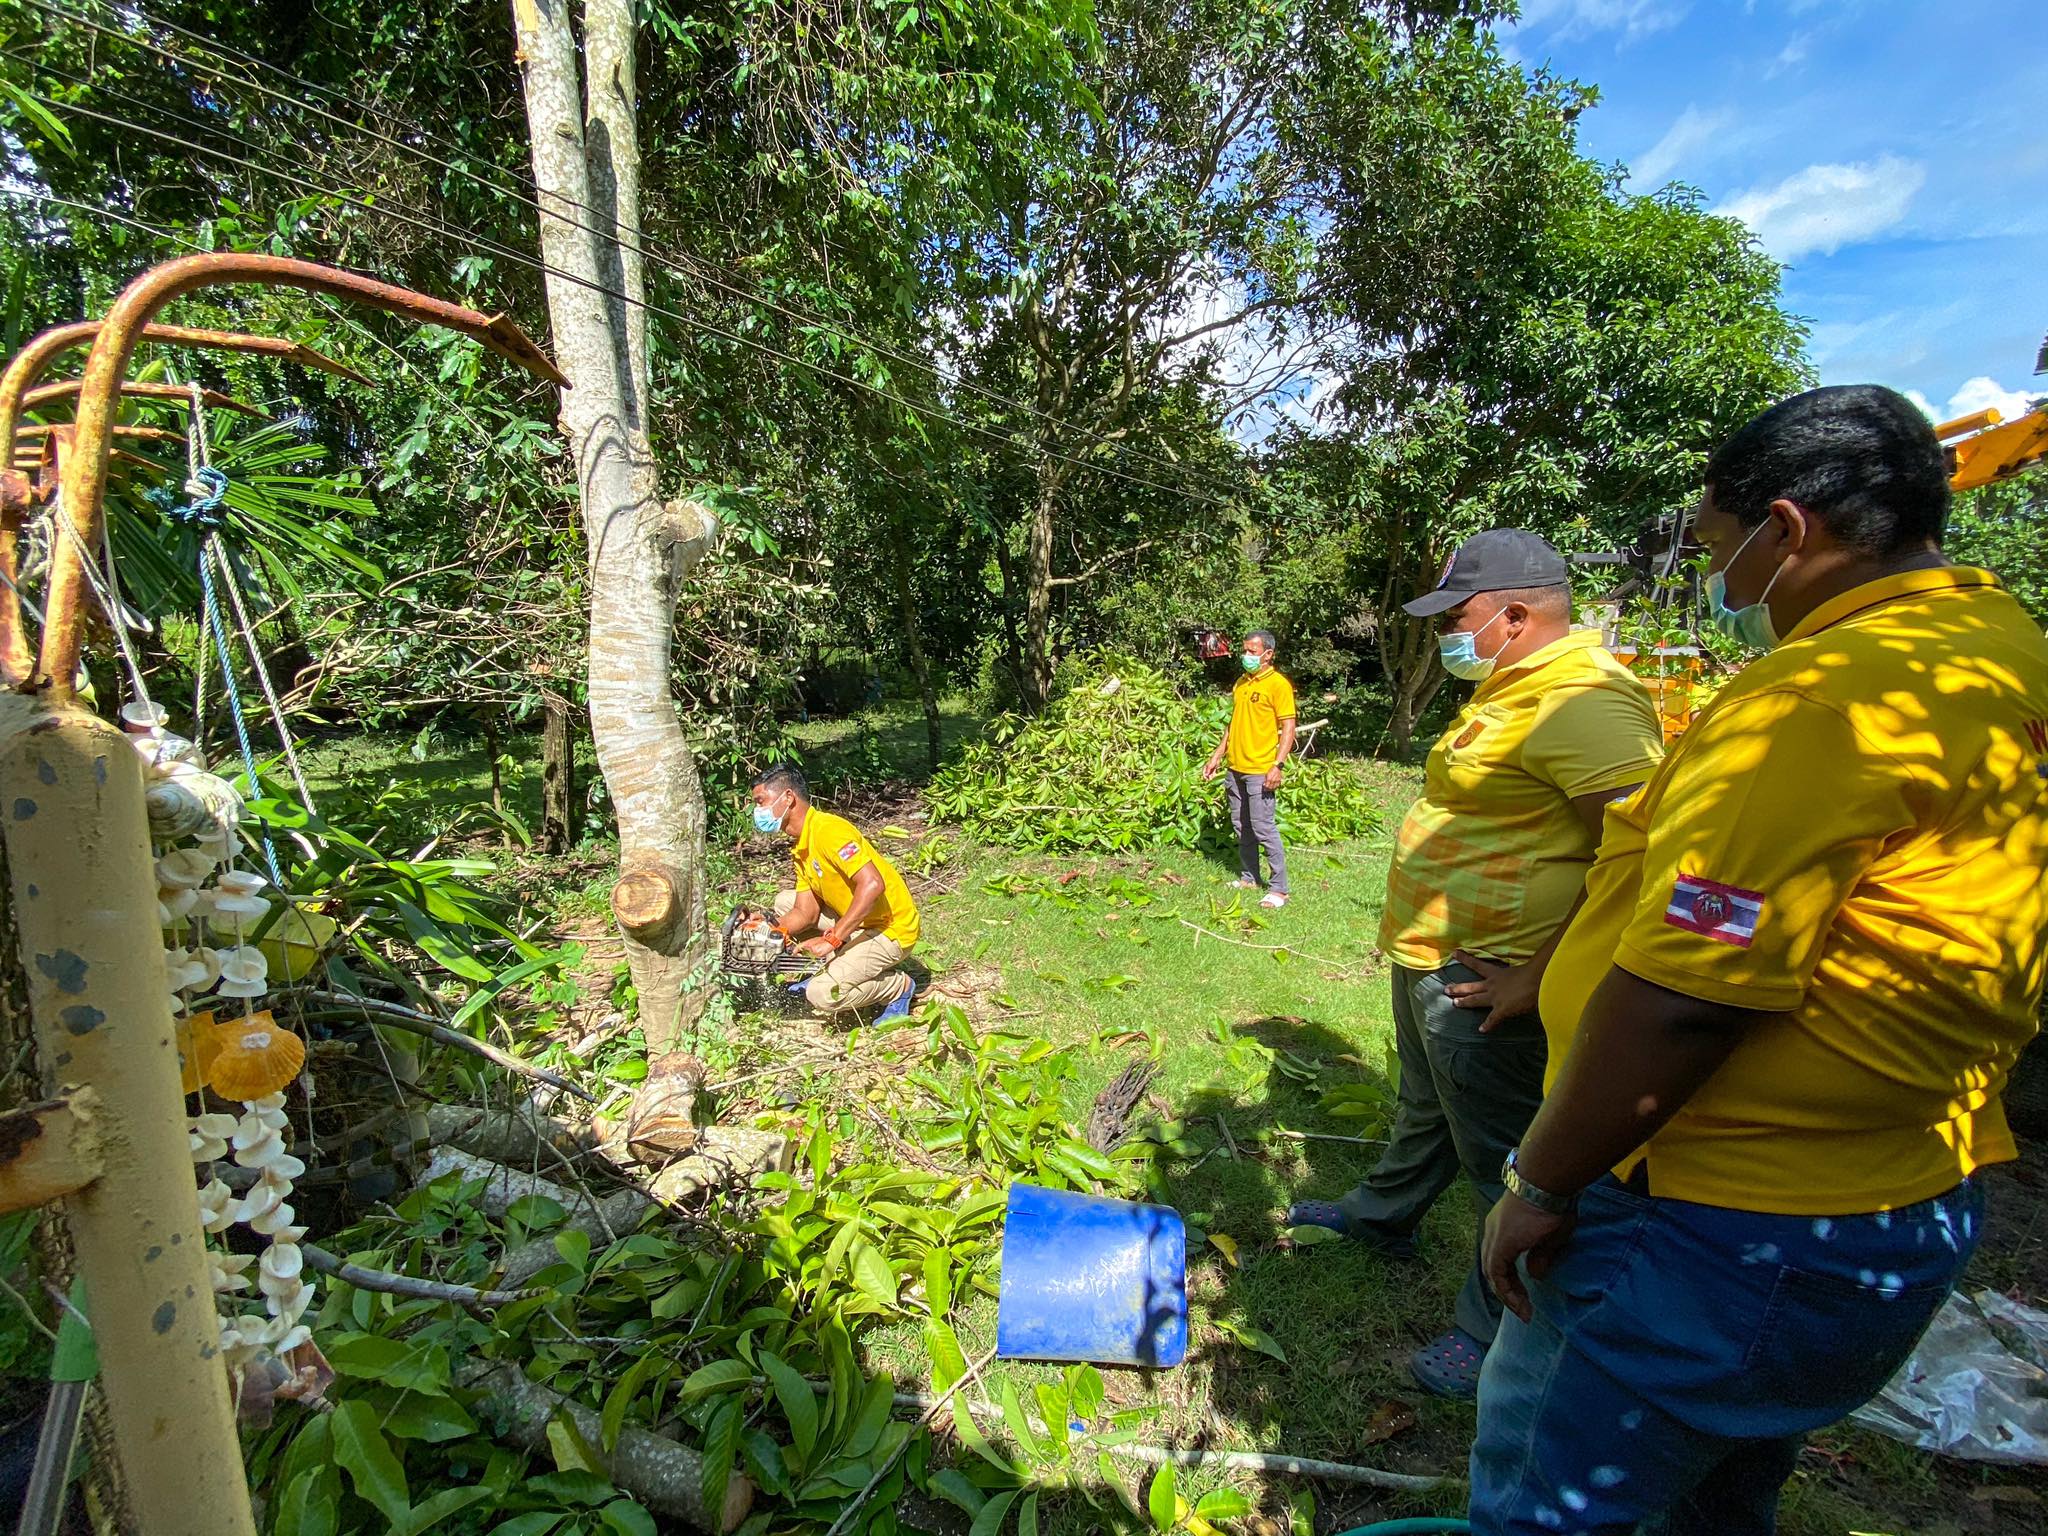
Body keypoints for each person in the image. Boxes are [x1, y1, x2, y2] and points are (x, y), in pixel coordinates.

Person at [1472, 386, 2048, 1535]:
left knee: (1555, 1503)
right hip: (1894, 1188)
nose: (1714, 576)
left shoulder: (1819, 700)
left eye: (1713, 543)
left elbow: (1686, 997)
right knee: (1717, 1491)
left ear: (1786, 533)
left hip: (1716, 1217)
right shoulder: (1998, 649)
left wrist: (1539, 1184)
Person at [1287, 529, 1664, 1400]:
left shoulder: (1587, 701)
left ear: (1516, 614)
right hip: (1437, 953)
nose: (1450, 634)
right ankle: (1383, 1217)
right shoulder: (1516, 685)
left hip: (1496, 970)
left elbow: (1647, 852)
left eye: (1459, 617)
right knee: (1428, 1103)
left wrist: (1539, 972)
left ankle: (1495, 1326)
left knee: (1509, 1156)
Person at [750, 766, 921, 1021]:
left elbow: (873, 884)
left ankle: (897, 987)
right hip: (860, 921)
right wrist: (770, 928)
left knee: (822, 994)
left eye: (760, 802)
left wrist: (833, 939)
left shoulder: (829, 830)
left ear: (787, 798)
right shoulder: (801, 846)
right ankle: (839, 962)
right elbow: (804, 913)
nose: (757, 812)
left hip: (890, 928)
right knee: (785, 903)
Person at [1201, 630, 1296, 908]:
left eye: (1253, 652)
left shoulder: (1278, 685)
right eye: (1245, 650)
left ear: (1268, 654)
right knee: (1242, 827)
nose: (1247, 656)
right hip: (1235, 768)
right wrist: (1218, 755)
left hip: (1261, 768)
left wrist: (1277, 765)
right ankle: (1249, 877)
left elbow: (1288, 727)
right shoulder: (1241, 683)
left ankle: (1279, 889)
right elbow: (1234, 722)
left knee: (1263, 827)